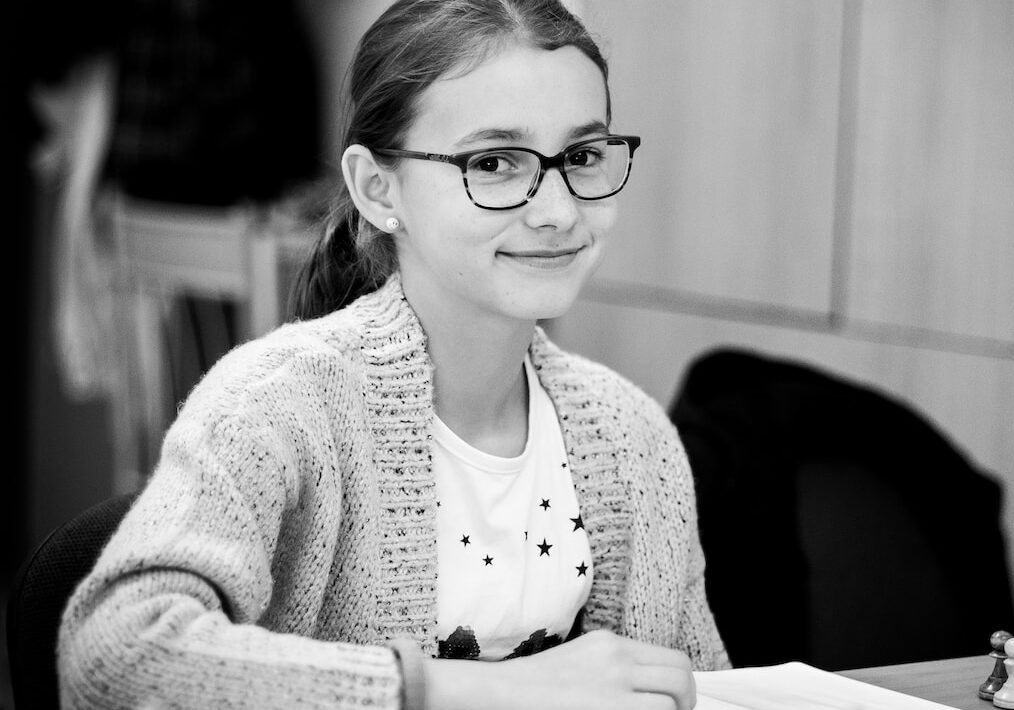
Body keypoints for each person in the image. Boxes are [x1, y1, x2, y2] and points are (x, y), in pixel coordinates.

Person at [57, 1, 731, 708]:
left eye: (584, 157)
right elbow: (111, 654)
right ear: (379, 189)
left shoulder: (635, 436)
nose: (558, 210)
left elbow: (703, 687)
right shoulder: (276, 405)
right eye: (495, 162)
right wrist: (449, 688)